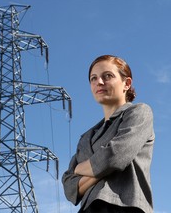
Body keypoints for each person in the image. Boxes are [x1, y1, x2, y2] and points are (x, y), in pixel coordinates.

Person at [62, 55, 155, 213]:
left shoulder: (139, 112)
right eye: (93, 78)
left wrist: (79, 169)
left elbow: (114, 157)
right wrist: (103, 167)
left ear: (127, 83)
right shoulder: (86, 138)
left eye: (108, 76)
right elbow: (69, 186)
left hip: (125, 206)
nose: (99, 82)